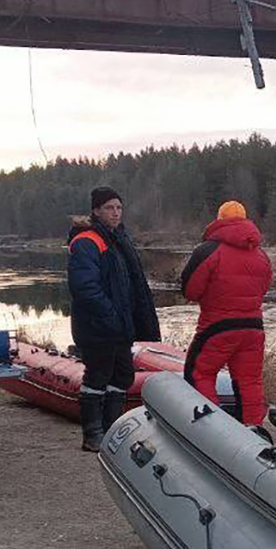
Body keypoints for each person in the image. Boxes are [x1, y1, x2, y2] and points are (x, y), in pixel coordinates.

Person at [67, 186, 161, 452]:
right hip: (97, 326)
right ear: (96, 210)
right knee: (97, 376)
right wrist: (110, 315)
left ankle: (112, 430)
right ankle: (93, 434)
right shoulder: (87, 240)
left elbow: (132, 283)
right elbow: (85, 288)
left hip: (120, 326)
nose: (116, 213)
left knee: (121, 376)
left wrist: (132, 319)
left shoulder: (118, 239)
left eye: (119, 207)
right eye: (110, 207)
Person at [180, 201, 273, 430]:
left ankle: (211, 429)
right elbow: (263, 289)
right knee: (249, 382)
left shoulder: (208, 250)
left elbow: (190, 291)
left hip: (217, 328)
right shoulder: (261, 255)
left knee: (199, 374)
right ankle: (254, 431)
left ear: (219, 220)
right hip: (253, 328)